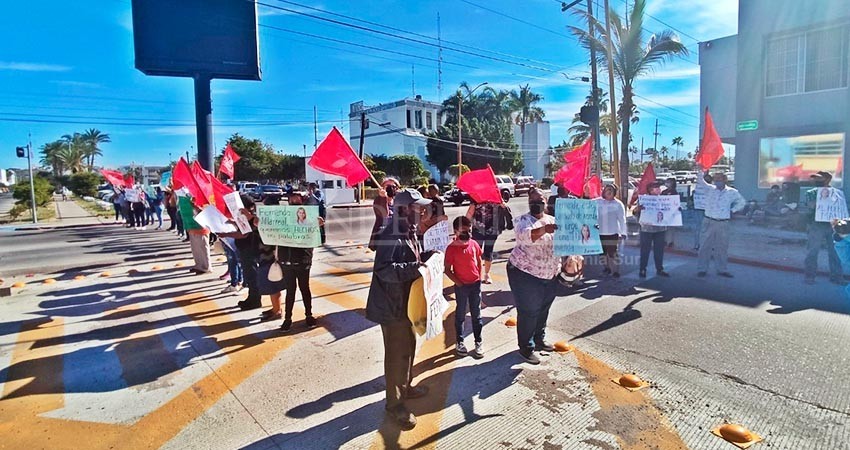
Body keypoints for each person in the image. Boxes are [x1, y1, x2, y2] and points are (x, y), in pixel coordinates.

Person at [366, 188, 433, 431]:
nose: (423, 211)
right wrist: (416, 267)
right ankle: (394, 404)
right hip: (391, 307)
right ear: (405, 209)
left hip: (406, 304)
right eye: (419, 208)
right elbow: (385, 270)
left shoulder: (409, 230)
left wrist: (429, 257)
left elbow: (412, 259)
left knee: (409, 349)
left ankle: (406, 387)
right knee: (396, 356)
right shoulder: (391, 234)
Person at [507, 188, 561, 365]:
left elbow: (565, 243)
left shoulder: (553, 220)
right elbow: (526, 237)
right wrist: (545, 229)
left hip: (549, 273)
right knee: (529, 311)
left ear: (546, 202)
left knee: (543, 308)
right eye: (532, 201)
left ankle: (539, 339)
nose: (536, 204)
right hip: (525, 273)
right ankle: (526, 348)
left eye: (540, 200)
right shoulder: (523, 221)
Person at [278, 194, 320, 332]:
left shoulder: (310, 219)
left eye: (297, 199)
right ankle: (288, 319)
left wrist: (318, 225)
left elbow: (317, 237)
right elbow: (271, 231)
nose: (294, 201)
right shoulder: (283, 218)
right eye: (292, 199)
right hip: (287, 261)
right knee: (290, 291)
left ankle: (309, 315)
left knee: (304, 289)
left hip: (302, 260)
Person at [444, 216, 484, 359]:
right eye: (463, 231)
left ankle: (478, 341)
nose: (467, 233)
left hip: (475, 285)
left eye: (469, 230)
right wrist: (459, 283)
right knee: (460, 314)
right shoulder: (451, 248)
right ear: (455, 231)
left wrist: (479, 277)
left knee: (476, 315)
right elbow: (447, 269)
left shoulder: (473, 244)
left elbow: (478, 260)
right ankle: (460, 341)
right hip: (461, 287)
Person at [696, 171, 746, 278]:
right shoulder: (709, 189)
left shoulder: (732, 192)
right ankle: (702, 269)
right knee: (704, 246)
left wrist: (733, 210)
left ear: (725, 180)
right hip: (709, 221)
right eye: (716, 180)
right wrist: (701, 170)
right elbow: (700, 181)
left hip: (723, 223)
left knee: (722, 247)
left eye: (719, 179)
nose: (717, 181)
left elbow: (742, 202)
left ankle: (722, 269)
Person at [804, 171, 846, 285]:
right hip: (816, 225)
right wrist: (821, 197)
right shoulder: (811, 192)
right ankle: (810, 276)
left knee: (835, 252)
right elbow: (810, 206)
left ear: (827, 180)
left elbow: (841, 208)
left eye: (819, 179)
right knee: (813, 251)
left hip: (832, 225)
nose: (816, 181)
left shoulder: (837, 193)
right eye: (815, 179)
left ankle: (837, 277)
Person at [466, 200, 512, 284]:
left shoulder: (495, 196)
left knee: (488, 251)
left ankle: (486, 274)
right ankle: (476, 273)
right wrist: (466, 226)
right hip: (478, 230)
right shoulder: (476, 198)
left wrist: (503, 205)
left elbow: (504, 207)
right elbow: (469, 213)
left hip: (492, 230)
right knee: (476, 252)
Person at [633, 182, 670, 278]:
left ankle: (659, 269)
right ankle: (642, 269)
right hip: (646, 229)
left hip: (660, 229)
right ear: (650, 190)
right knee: (645, 251)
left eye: (659, 187)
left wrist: (676, 210)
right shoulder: (644, 199)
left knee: (659, 250)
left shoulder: (664, 199)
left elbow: (670, 211)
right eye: (656, 187)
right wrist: (638, 209)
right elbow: (634, 212)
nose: (659, 189)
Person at [596, 184, 627, 277]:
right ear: (604, 191)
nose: (609, 191)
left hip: (612, 233)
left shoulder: (618, 204)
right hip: (599, 233)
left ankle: (616, 271)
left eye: (611, 190)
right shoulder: (597, 202)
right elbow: (585, 205)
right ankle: (607, 268)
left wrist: (623, 232)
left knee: (613, 254)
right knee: (602, 254)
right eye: (607, 189)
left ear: (614, 193)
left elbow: (622, 219)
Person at [177, 195, 211, 274]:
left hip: (200, 225)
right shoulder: (185, 195)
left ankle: (206, 267)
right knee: (196, 248)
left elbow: (204, 208)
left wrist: (194, 205)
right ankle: (199, 265)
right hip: (190, 224)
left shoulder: (199, 193)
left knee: (202, 247)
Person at [369, 177, 400, 251]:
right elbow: (384, 215)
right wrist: (383, 198)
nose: (391, 189)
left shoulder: (397, 200)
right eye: (388, 186)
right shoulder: (378, 200)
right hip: (384, 236)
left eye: (393, 186)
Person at [691, 172, 712, 250]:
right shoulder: (711, 188)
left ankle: (697, 245)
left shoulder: (698, 188)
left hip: (700, 209)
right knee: (708, 228)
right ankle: (706, 245)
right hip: (706, 210)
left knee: (699, 228)